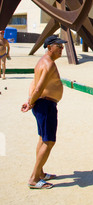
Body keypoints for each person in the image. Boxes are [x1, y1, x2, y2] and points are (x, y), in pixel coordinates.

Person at [21, 35, 67, 189]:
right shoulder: (48, 64)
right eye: (59, 46)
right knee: (49, 141)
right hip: (46, 105)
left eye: (62, 47)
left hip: (42, 104)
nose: (62, 49)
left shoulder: (41, 62)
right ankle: (34, 178)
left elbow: (33, 83)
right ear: (49, 47)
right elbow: (39, 87)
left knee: (42, 138)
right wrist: (31, 102)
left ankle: (40, 172)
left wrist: (30, 100)